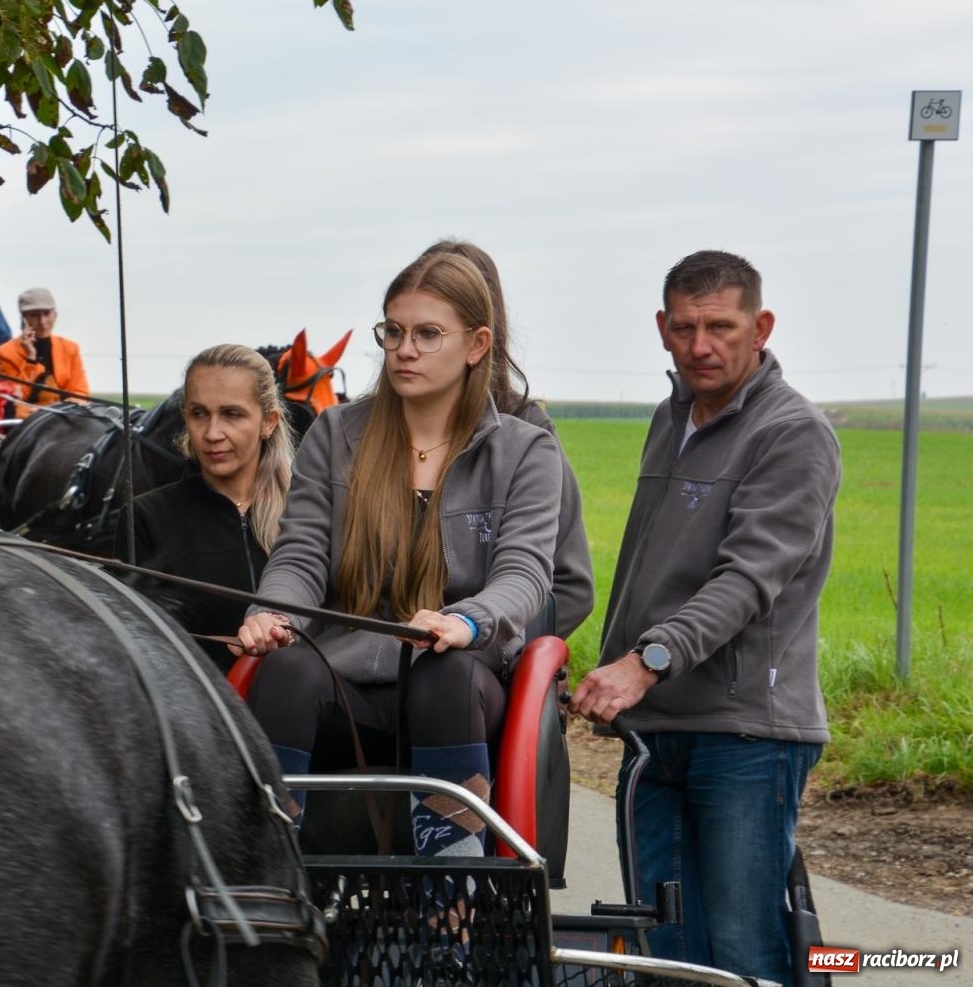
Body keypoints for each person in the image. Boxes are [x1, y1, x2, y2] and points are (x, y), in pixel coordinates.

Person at [569, 250, 841, 987]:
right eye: (685, 327)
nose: (701, 345)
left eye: (721, 326)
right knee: (665, 949)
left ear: (761, 327)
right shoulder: (672, 418)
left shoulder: (793, 433)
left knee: (746, 952)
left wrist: (644, 662)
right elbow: (650, 568)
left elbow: (748, 579)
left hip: (747, 734)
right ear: (662, 327)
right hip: (659, 730)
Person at [236, 250, 561, 857]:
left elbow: (524, 575)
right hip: (347, 685)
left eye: (427, 334)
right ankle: (266, 873)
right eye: (394, 332)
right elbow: (301, 556)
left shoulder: (525, 451)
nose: (404, 349)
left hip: (461, 688)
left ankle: (452, 899)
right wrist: (273, 615)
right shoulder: (336, 436)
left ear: (476, 344)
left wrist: (465, 621)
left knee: (446, 674)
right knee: (287, 670)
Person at [425, 238, 594, 639]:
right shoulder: (367, 434)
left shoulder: (528, 434)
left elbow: (570, 586)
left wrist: (498, 651)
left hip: (477, 661)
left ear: (481, 333)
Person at [115, 344, 296, 672]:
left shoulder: (307, 511)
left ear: (268, 422)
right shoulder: (146, 517)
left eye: (232, 414)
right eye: (199, 414)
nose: (212, 434)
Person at [0, 287, 89, 418]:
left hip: (65, 417)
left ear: (55, 315)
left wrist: (57, 411)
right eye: (34, 315)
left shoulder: (70, 348)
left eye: (46, 313)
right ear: (24, 318)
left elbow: (80, 393)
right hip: (27, 420)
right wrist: (31, 359)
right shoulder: (6, 352)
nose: (42, 321)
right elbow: (17, 397)